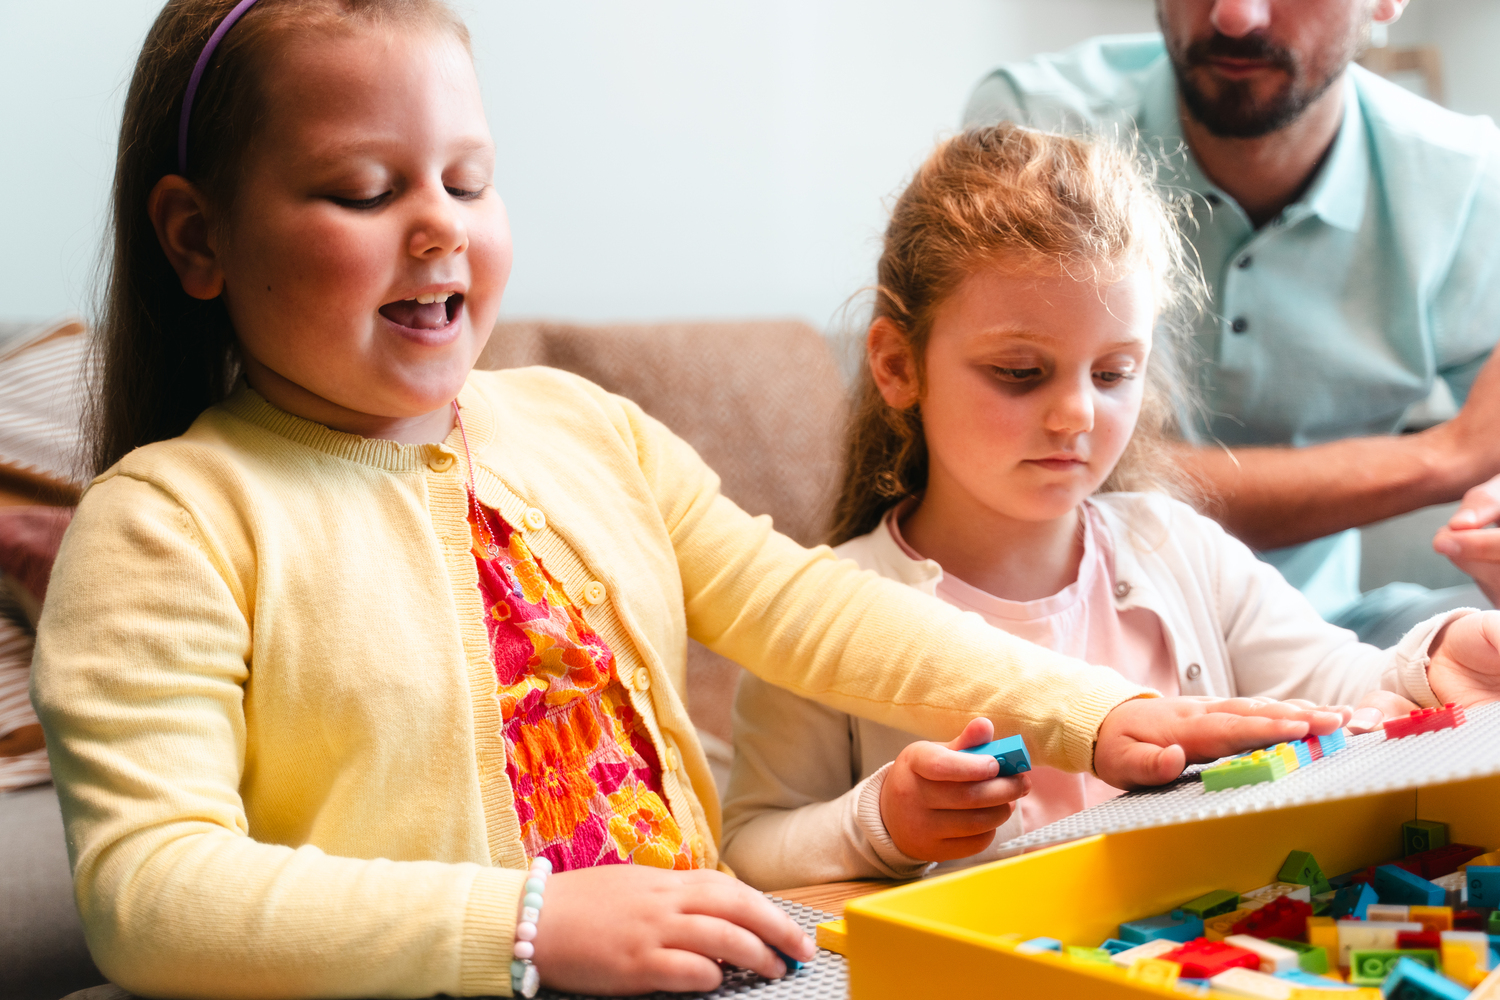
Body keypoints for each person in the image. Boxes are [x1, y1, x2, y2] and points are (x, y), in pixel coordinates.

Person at [27, 2, 1345, 998]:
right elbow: (151, 891)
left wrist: (1097, 714)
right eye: (367, 191)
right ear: (199, 237)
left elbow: (807, 606)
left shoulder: (578, 427)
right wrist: (531, 924)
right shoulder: (168, 522)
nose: (437, 228)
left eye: (468, 181)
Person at [720, 124, 1500, 891]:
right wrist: (880, 822)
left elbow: (1334, 685)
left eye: (1114, 372)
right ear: (897, 365)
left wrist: (1436, 660)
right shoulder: (821, 613)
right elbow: (751, 843)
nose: (1077, 417)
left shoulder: (1178, 547)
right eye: (1021, 372)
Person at [963, 0, 1500, 648]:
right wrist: (1443, 458)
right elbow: (1089, 475)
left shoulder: (1466, 185)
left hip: (1330, 630)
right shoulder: (1040, 130)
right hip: (1076, 638)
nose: (1236, 17)